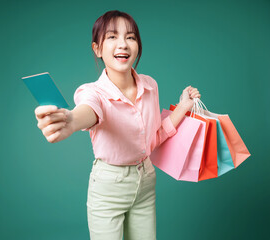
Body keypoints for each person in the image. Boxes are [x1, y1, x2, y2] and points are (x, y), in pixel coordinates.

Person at [34, 10, 201, 240]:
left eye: (130, 37)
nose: (123, 44)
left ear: (138, 46)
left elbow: (155, 136)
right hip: (108, 188)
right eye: (112, 37)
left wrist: (183, 107)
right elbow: (89, 110)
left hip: (146, 180)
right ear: (97, 49)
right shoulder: (92, 92)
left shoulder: (150, 86)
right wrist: (71, 121)